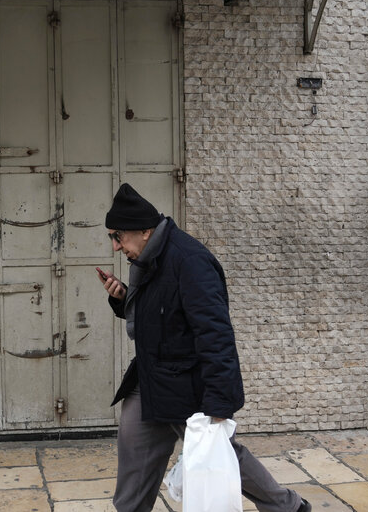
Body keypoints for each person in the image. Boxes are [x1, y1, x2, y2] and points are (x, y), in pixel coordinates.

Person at [98, 183, 310, 512]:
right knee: (133, 453)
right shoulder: (149, 258)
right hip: (150, 381)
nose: (115, 246)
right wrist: (124, 298)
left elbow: (215, 333)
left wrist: (219, 402)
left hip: (187, 387)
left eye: (118, 236)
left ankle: (288, 508)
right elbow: (159, 314)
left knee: (222, 455)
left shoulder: (190, 261)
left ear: (144, 230)